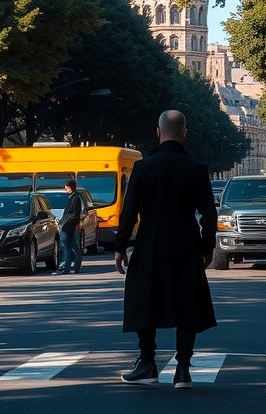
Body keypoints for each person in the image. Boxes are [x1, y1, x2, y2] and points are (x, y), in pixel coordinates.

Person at [115, 109, 217, 389]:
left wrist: (121, 246)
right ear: (185, 133)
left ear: (158, 132)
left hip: (150, 241)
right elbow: (209, 215)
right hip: (186, 242)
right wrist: (207, 248)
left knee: (143, 297)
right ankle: (183, 368)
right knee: (187, 302)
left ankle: (147, 362)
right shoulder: (197, 170)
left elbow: (130, 210)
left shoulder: (143, 168)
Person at [53, 178, 82, 275]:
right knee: (72, 246)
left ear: (71, 188)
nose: (65, 190)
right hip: (70, 225)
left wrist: (63, 223)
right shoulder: (73, 197)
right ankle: (74, 266)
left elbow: (74, 214)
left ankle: (64, 267)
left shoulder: (75, 198)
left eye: (66, 188)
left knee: (64, 246)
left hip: (68, 226)